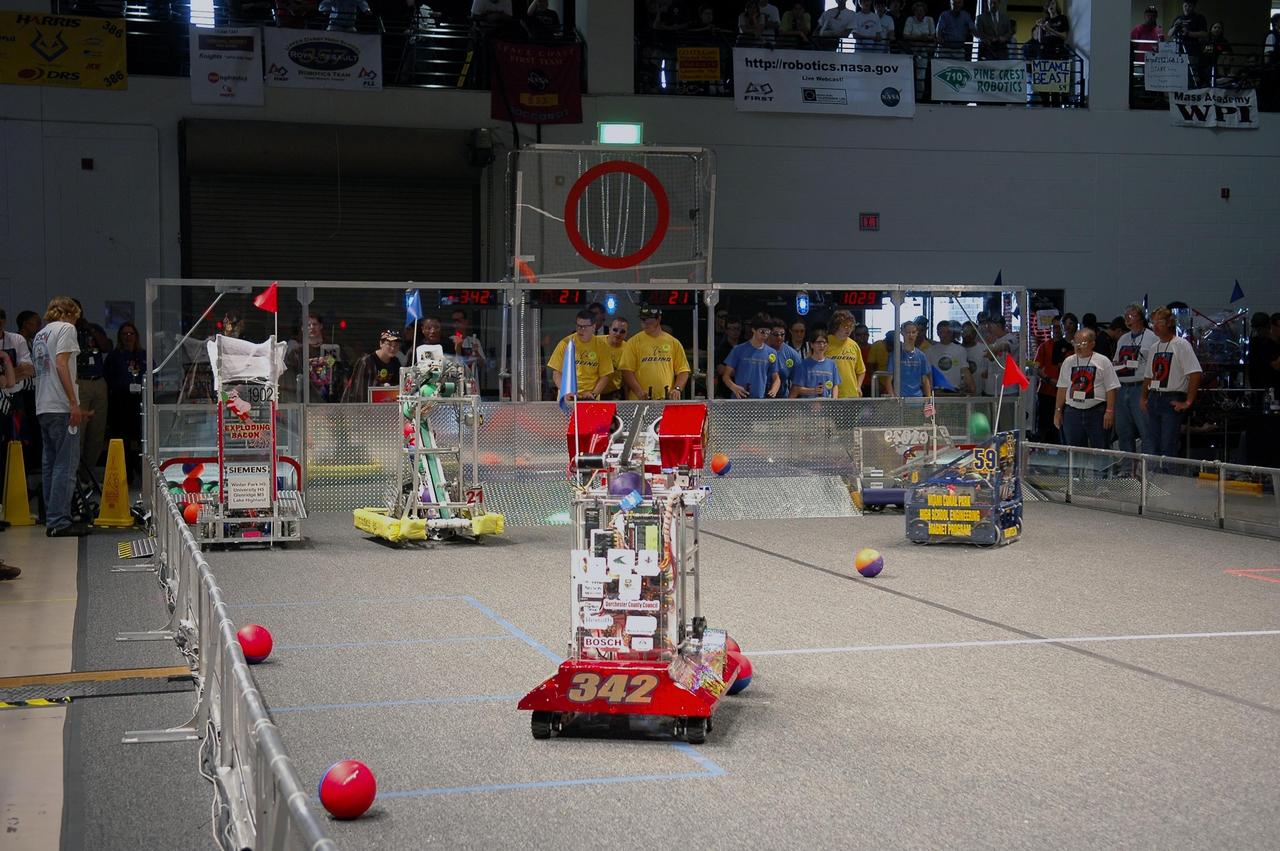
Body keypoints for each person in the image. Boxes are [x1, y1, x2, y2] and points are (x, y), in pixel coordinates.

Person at [31, 297, 90, 537]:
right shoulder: (66, 329)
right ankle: (60, 521)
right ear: (70, 313)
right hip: (60, 406)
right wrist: (74, 403)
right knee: (66, 465)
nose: (77, 320)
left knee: (51, 464)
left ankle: (52, 518)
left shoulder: (40, 334)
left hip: (43, 406)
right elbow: (61, 364)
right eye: (77, 316)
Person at [1141, 306, 1202, 459]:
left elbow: (1195, 373)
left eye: (1159, 322)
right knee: (1152, 443)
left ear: (1169, 323)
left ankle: (1169, 478)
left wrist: (1188, 401)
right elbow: (1149, 376)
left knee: (1168, 444)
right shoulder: (1154, 347)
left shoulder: (1181, 345)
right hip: (1155, 397)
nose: (1155, 326)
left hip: (1172, 398)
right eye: (1153, 322)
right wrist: (1144, 397)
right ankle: (1155, 477)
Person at [1054, 328, 1119, 450]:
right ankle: (1076, 470)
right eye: (1075, 343)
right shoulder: (1068, 362)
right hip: (1072, 412)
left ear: (1092, 344)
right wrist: (1058, 410)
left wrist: (1109, 411)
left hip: (1097, 411)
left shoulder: (1102, 361)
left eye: (1082, 344)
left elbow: (1111, 388)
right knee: (1074, 450)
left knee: (1100, 448)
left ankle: (1101, 470)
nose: (1078, 347)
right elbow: (1062, 388)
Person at [1110, 304, 1158, 454]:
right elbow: (1115, 361)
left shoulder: (1152, 338)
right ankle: (1127, 469)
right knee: (1123, 431)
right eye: (1126, 317)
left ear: (1141, 318)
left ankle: (1149, 468)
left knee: (1146, 430)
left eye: (1131, 316)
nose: (1128, 320)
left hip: (1140, 386)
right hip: (1123, 386)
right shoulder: (1123, 338)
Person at [104, 323, 146, 485]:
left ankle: (142, 474)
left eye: (131, 334)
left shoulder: (143, 355)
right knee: (123, 439)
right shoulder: (114, 356)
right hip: (120, 402)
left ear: (136, 336)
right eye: (124, 334)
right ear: (120, 337)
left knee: (141, 438)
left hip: (140, 400)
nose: (128, 337)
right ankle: (124, 475)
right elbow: (107, 378)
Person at [619, 306, 690, 401]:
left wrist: (677, 389)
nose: (645, 323)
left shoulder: (673, 342)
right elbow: (626, 370)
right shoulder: (633, 342)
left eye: (649, 320)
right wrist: (638, 391)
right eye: (643, 320)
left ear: (658, 319)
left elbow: (683, 370)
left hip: (666, 398)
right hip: (640, 399)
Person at [73, 300, 111, 470]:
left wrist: (91, 330)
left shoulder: (92, 327)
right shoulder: (66, 331)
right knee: (79, 430)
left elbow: (106, 346)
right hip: (79, 381)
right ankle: (75, 474)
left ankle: (88, 473)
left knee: (97, 431)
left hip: (98, 381)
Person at [548, 310, 615, 401]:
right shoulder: (566, 343)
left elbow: (605, 376)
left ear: (593, 326)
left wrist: (593, 394)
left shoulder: (601, 346)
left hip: (590, 396)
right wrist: (565, 391)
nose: (580, 330)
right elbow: (556, 373)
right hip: (568, 396)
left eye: (584, 327)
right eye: (578, 326)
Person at [720, 314, 780, 399]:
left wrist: (774, 390)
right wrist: (734, 387)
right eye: (762, 332)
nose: (765, 335)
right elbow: (726, 376)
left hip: (760, 399)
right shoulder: (738, 350)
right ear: (753, 330)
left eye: (768, 332)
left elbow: (776, 377)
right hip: (740, 398)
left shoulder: (772, 353)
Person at [1032, 317, 1069, 443]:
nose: (1056, 330)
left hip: (1065, 392)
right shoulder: (1044, 347)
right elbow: (1036, 368)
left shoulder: (1070, 347)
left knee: (1062, 425)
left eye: (1059, 327)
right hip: (1046, 391)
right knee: (1043, 424)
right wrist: (1048, 379)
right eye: (1054, 327)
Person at [343, 330, 403, 403]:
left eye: (396, 345)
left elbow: (398, 384)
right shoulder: (366, 362)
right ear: (381, 344)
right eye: (389, 344)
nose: (393, 348)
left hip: (385, 405)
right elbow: (360, 390)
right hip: (361, 406)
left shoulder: (395, 362)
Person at [881, 321, 932, 398]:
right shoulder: (895, 355)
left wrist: (929, 399)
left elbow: (925, 379)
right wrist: (892, 396)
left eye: (913, 332)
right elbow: (888, 379)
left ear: (917, 333)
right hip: (900, 398)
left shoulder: (921, 356)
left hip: (917, 398)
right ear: (902, 333)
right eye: (908, 332)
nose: (911, 335)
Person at [826, 310, 866, 398]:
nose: (848, 329)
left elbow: (861, 370)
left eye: (851, 326)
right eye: (845, 326)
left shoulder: (854, 345)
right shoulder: (825, 342)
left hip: (851, 395)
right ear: (836, 326)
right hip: (829, 394)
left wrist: (858, 386)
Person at [1167, 0, 1209, 86]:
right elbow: (1169, 34)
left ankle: (1192, 92)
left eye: (1190, 6)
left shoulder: (1199, 17)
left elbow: (1204, 33)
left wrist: (1189, 33)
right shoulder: (1178, 18)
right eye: (1185, 6)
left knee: (1192, 74)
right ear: (1183, 6)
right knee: (1178, 75)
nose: (1187, 8)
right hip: (1178, 51)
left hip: (1192, 51)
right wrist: (1175, 26)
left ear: (1194, 7)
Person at [789, 329, 841, 398]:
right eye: (818, 342)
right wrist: (813, 390)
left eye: (824, 342)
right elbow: (796, 389)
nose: (822, 345)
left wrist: (834, 400)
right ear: (812, 345)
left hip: (827, 406)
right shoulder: (803, 364)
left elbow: (835, 386)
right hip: (808, 406)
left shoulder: (832, 364)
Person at [926, 320, 974, 394]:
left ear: (952, 333)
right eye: (943, 332)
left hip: (955, 391)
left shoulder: (960, 350)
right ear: (938, 333)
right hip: (937, 392)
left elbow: (964, 370)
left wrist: (972, 387)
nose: (946, 335)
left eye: (948, 332)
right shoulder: (930, 351)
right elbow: (927, 373)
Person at [767, 317, 803, 397]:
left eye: (782, 334)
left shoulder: (792, 354)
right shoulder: (761, 349)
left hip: (782, 399)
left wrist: (789, 402)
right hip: (759, 398)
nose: (779, 337)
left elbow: (798, 383)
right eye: (776, 334)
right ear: (768, 334)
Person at [600, 316, 629, 400]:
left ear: (626, 333)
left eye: (622, 331)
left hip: (614, 392)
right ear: (609, 329)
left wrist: (627, 399)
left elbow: (626, 378)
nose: (618, 334)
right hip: (593, 391)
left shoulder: (628, 349)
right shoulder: (597, 342)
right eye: (615, 330)